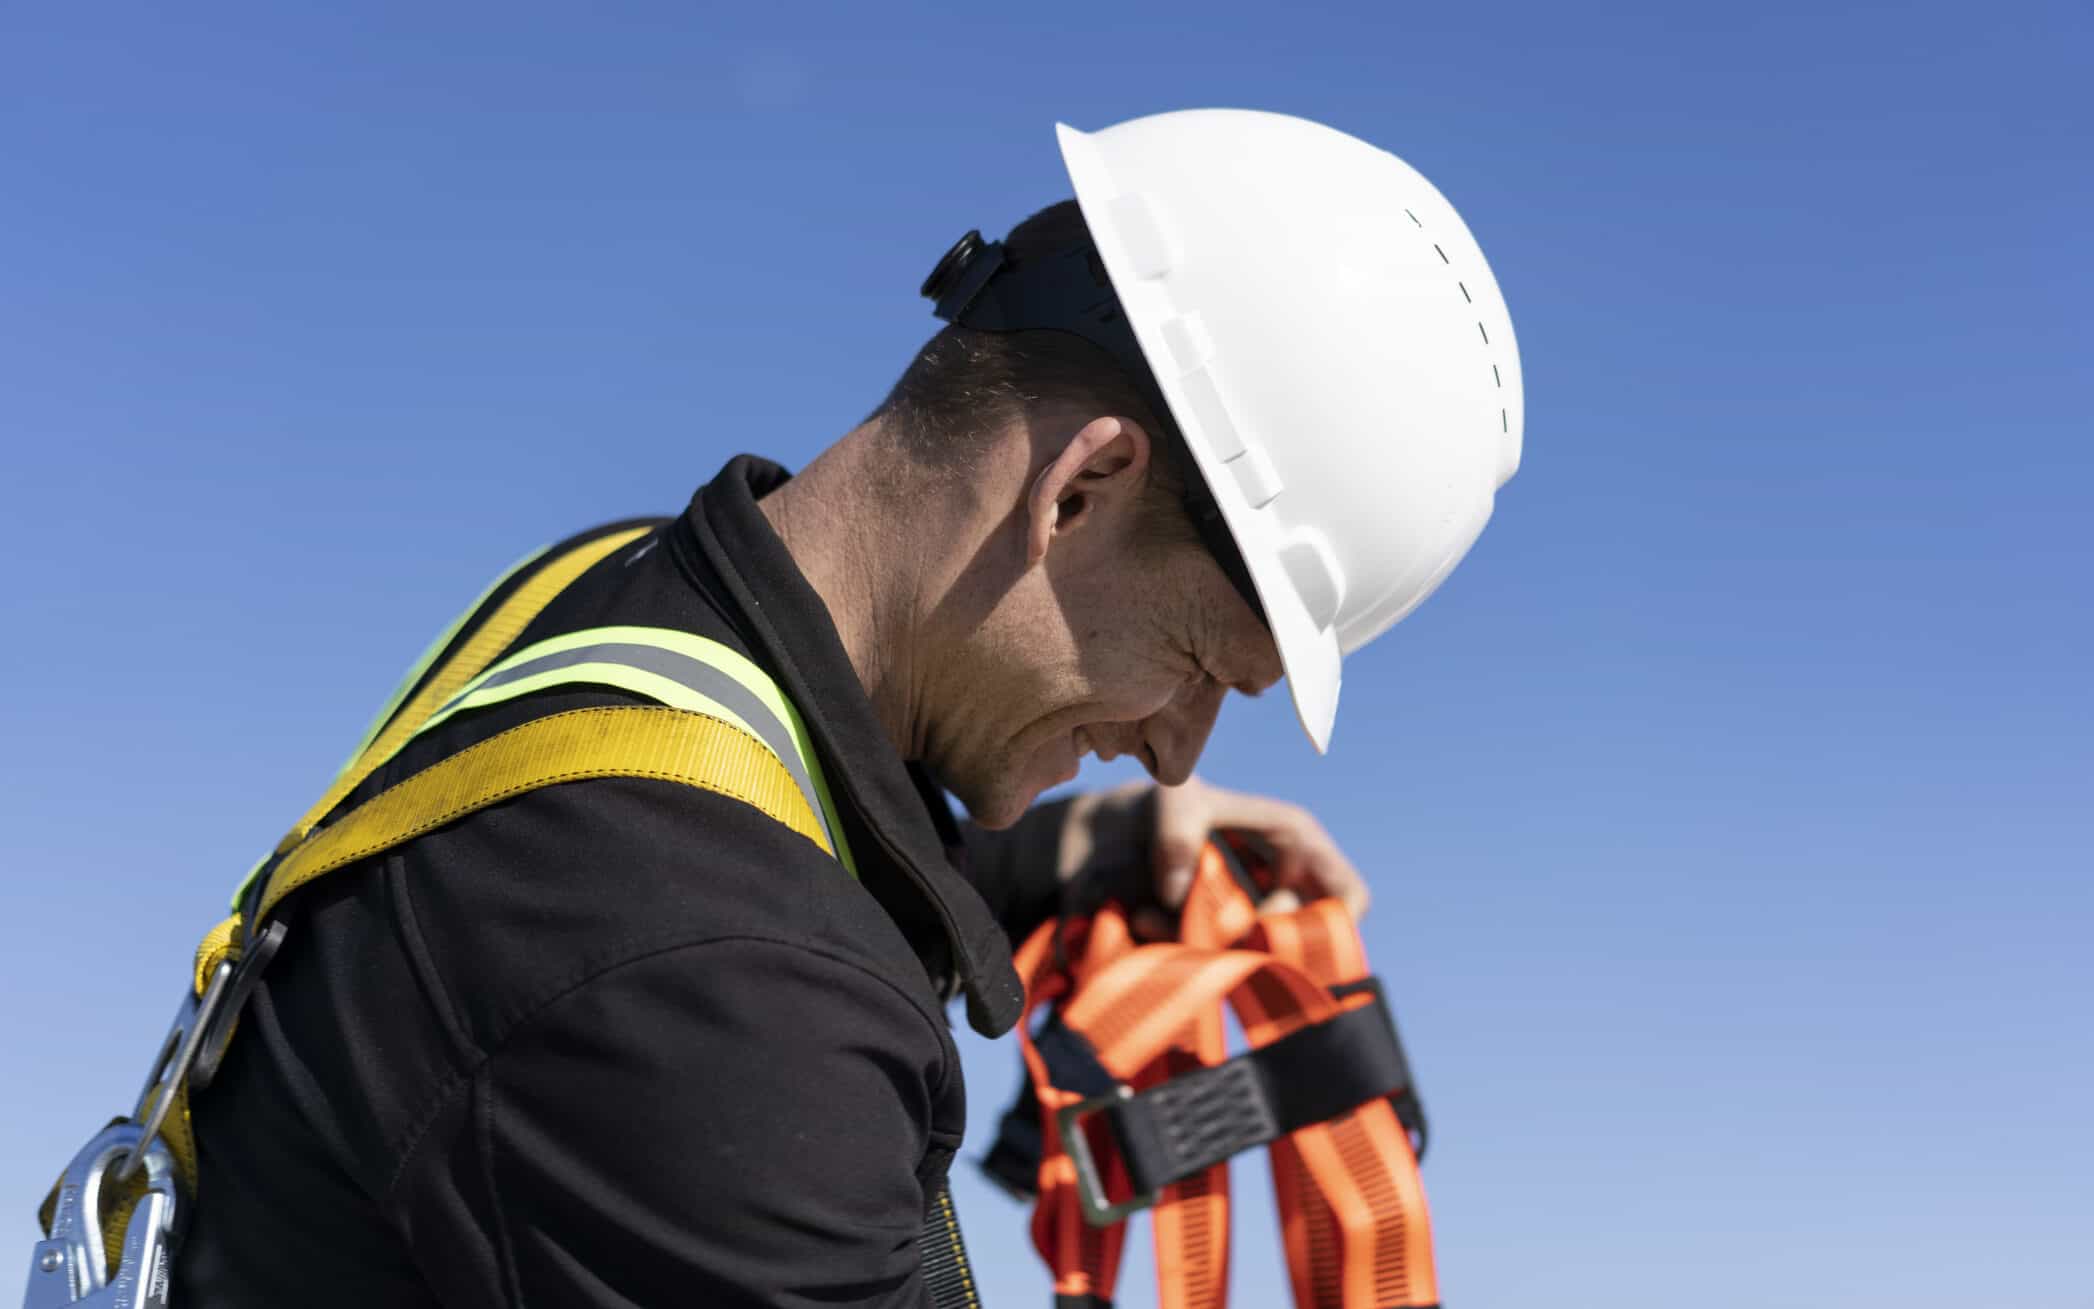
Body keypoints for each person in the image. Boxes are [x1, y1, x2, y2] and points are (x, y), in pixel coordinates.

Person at [169, 109, 1521, 1307]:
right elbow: (706, 937)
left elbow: (758, 834)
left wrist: (1068, 851)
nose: (1177, 752)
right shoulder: (713, 993)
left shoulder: (630, 602)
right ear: (1077, 492)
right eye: (1201, 666)